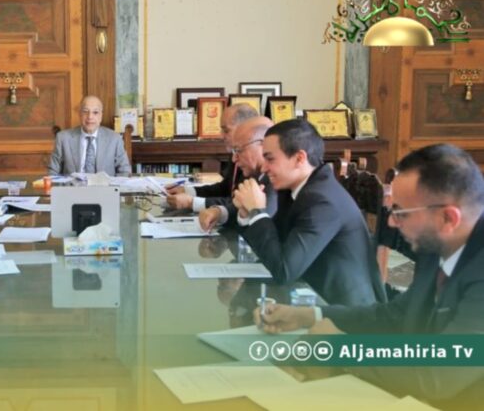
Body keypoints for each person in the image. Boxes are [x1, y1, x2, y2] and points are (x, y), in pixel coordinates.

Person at [257, 144, 484, 409]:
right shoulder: (440, 242)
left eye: (400, 213)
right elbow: (396, 315)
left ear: (448, 218)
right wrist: (310, 315)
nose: (391, 223)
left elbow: (437, 376)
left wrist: (340, 347)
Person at [232, 119, 384, 306]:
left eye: (270, 159)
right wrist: (247, 214)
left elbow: (284, 270)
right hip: (308, 296)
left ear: (299, 158)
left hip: (341, 311)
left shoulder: (322, 201)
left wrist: (257, 212)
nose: (263, 168)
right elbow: (274, 247)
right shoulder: (295, 189)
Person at [166, 103, 259, 211]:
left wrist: (192, 202)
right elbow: (225, 188)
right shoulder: (234, 152)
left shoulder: (254, 161)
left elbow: (238, 203)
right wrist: (189, 191)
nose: (221, 136)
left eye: (226, 130)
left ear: (245, 129)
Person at [198, 116, 277, 230]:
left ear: (263, 145)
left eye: (239, 150)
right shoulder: (257, 173)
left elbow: (262, 228)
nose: (234, 159)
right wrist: (219, 212)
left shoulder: (276, 179)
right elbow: (241, 207)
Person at [48, 95, 131, 176]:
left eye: (95, 112)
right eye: (85, 111)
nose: (90, 117)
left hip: (104, 185)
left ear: (101, 116)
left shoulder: (114, 139)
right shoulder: (63, 138)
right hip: (73, 185)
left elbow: (124, 171)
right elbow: (52, 172)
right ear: (80, 114)